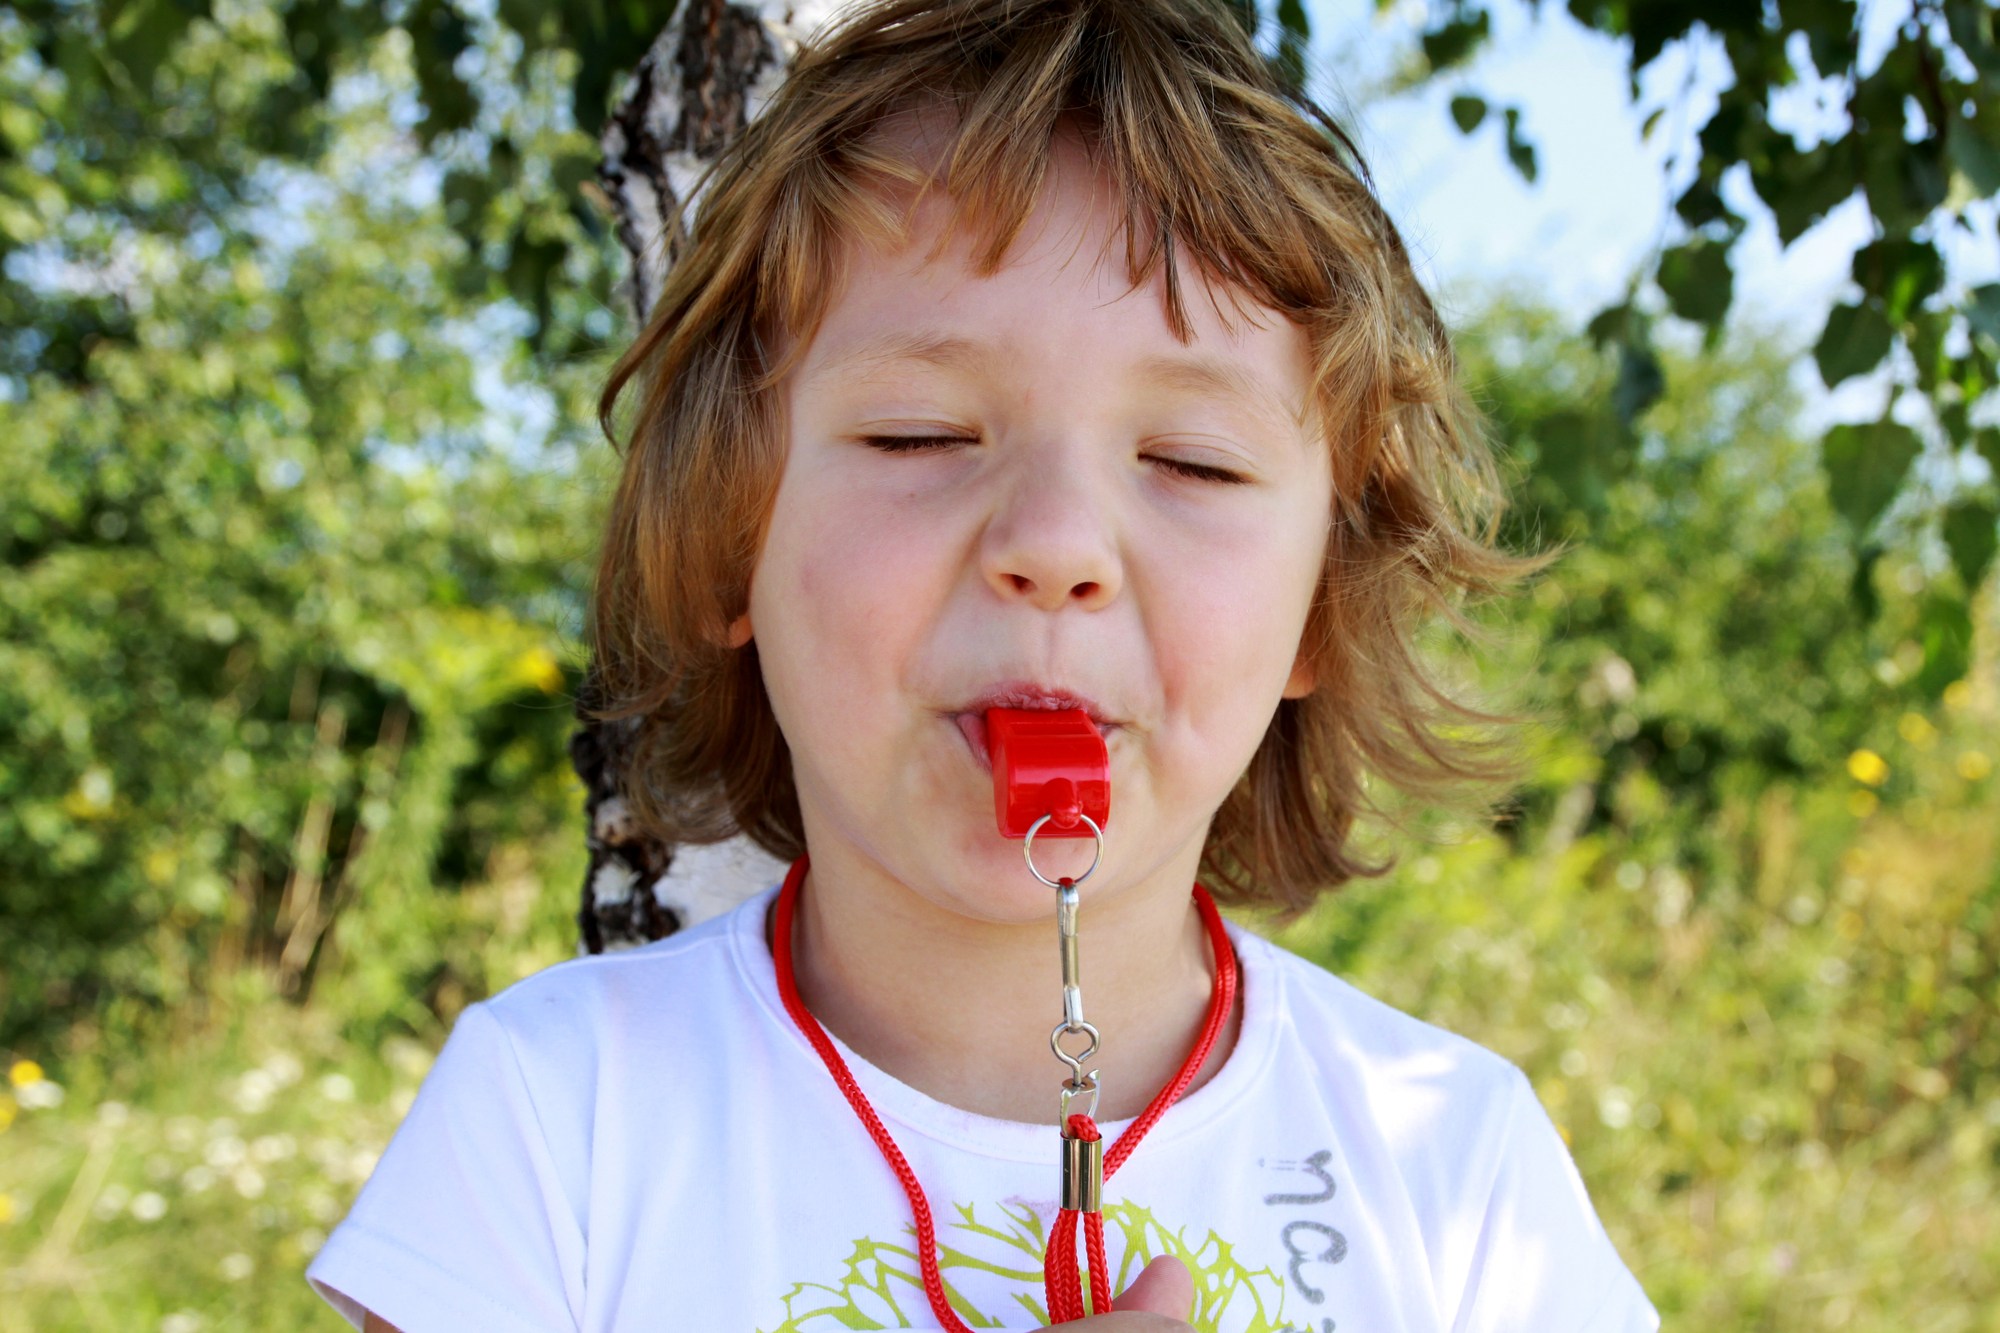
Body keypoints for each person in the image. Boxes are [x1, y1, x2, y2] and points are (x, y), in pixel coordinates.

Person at [306, 0, 1661, 1328]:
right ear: (734, 540)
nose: (1057, 546)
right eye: (919, 436)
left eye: (1192, 462)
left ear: (1319, 606)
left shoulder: (1457, 1173)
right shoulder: (554, 1124)